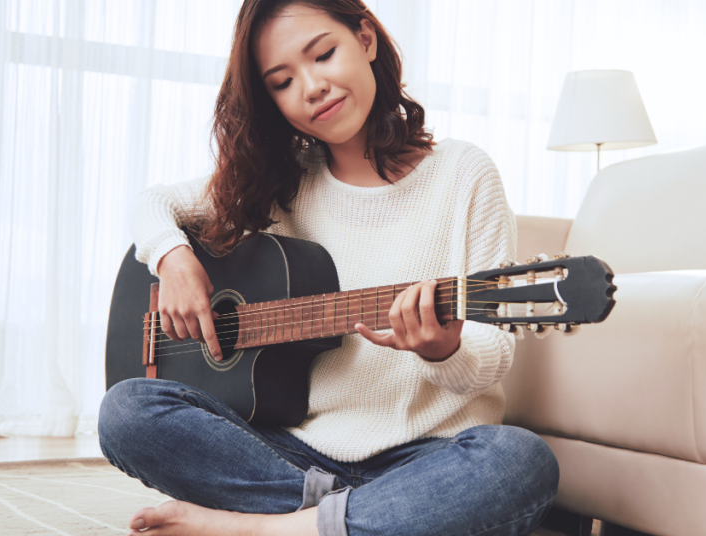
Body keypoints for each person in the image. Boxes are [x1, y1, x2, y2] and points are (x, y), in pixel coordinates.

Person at [97, 0, 559, 534]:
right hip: (297, 457)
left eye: (323, 54)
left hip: (429, 458)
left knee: (518, 460)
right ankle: (351, 518)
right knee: (126, 410)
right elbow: (152, 203)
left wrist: (445, 347)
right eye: (282, 81)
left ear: (365, 39)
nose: (311, 86)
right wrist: (171, 257)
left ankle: (260, 528)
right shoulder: (283, 182)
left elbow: (495, 351)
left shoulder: (465, 172)